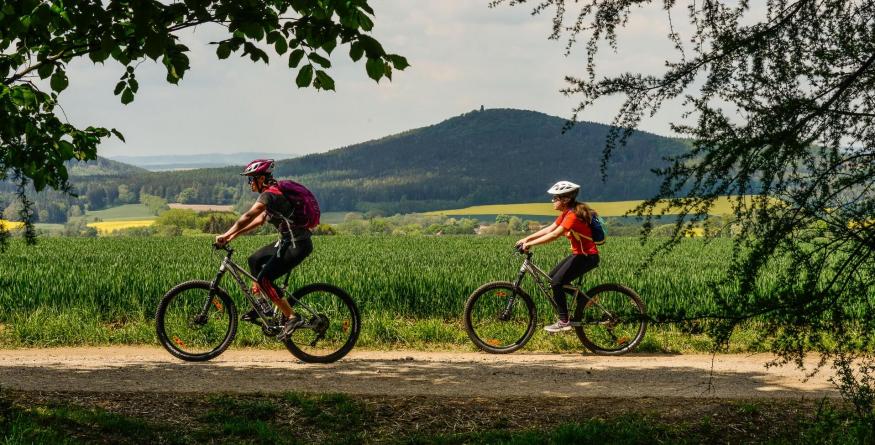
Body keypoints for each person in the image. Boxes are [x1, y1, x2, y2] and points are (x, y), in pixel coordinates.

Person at [215, 159, 313, 339]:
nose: (250, 183)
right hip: (287, 241)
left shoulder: (270, 195)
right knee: (254, 260)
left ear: (261, 178)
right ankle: (263, 306)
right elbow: (259, 220)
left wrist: (226, 232)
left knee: (264, 279)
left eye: (251, 179)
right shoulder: (275, 192)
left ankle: (292, 317)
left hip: (297, 245)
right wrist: (230, 237)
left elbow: (249, 215)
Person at [515, 181, 600, 333]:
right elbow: (550, 228)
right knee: (552, 278)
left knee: (556, 283)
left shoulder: (573, 215)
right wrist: (526, 239)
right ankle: (585, 300)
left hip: (587, 257)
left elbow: (554, 234)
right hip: (580, 255)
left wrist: (531, 244)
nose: (552, 201)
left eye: (555, 198)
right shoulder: (567, 213)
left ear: (565, 199)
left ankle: (564, 321)